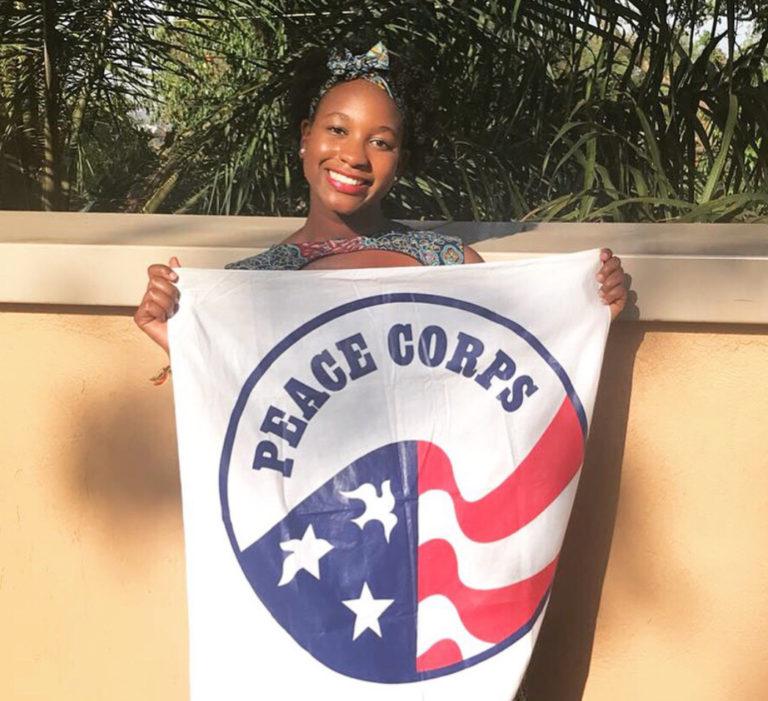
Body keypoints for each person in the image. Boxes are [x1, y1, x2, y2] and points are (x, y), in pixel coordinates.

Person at [134, 42, 627, 356]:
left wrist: (587, 311)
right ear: (306, 137)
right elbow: (242, 407)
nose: (354, 156)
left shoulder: (450, 265)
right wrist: (177, 339)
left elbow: (517, 370)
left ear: (401, 158)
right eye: (337, 130)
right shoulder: (247, 286)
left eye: (381, 141)